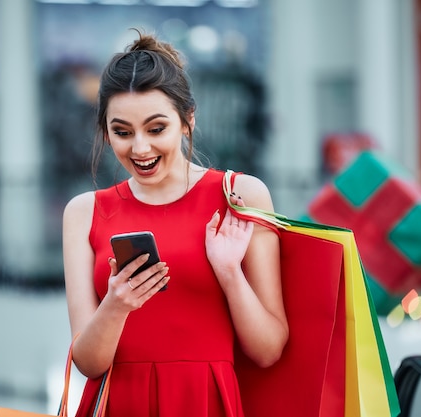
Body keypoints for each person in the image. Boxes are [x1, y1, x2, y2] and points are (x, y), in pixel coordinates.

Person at [62, 30, 289, 417]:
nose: (140, 148)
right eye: (121, 132)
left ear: (187, 121)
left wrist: (230, 273)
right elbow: (88, 363)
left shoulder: (241, 196)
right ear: (105, 131)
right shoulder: (84, 212)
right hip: (120, 405)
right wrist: (116, 306)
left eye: (156, 129)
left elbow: (269, 350)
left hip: (206, 404)